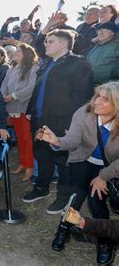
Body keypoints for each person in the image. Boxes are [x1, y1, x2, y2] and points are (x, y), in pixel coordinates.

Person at [39, 81, 119, 265]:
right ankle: (64, 228)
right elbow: (73, 140)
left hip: (111, 166)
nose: (98, 101)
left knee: (96, 199)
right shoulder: (84, 113)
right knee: (75, 195)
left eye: (105, 99)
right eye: (98, 95)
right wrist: (58, 141)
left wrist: (103, 177)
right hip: (84, 159)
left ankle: (105, 240)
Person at [23, 29, 94, 214]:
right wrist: (30, 111)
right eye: (46, 41)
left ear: (64, 44)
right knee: (42, 154)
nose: (45, 44)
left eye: (50, 41)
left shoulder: (79, 64)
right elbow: (37, 91)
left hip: (63, 122)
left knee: (63, 162)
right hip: (40, 120)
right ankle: (41, 187)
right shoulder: (46, 64)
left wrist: (73, 125)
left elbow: (83, 98)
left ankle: (64, 196)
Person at [1, 44, 40, 181]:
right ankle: (23, 163)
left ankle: (30, 166)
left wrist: (14, 95)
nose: (16, 54)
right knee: (20, 138)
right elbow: (4, 86)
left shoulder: (34, 68)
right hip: (12, 108)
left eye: (19, 51)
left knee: (27, 139)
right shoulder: (11, 70)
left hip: (25, 108)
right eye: (16, 51)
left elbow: (32, 88)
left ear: (27, 53)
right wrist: (4, 96)